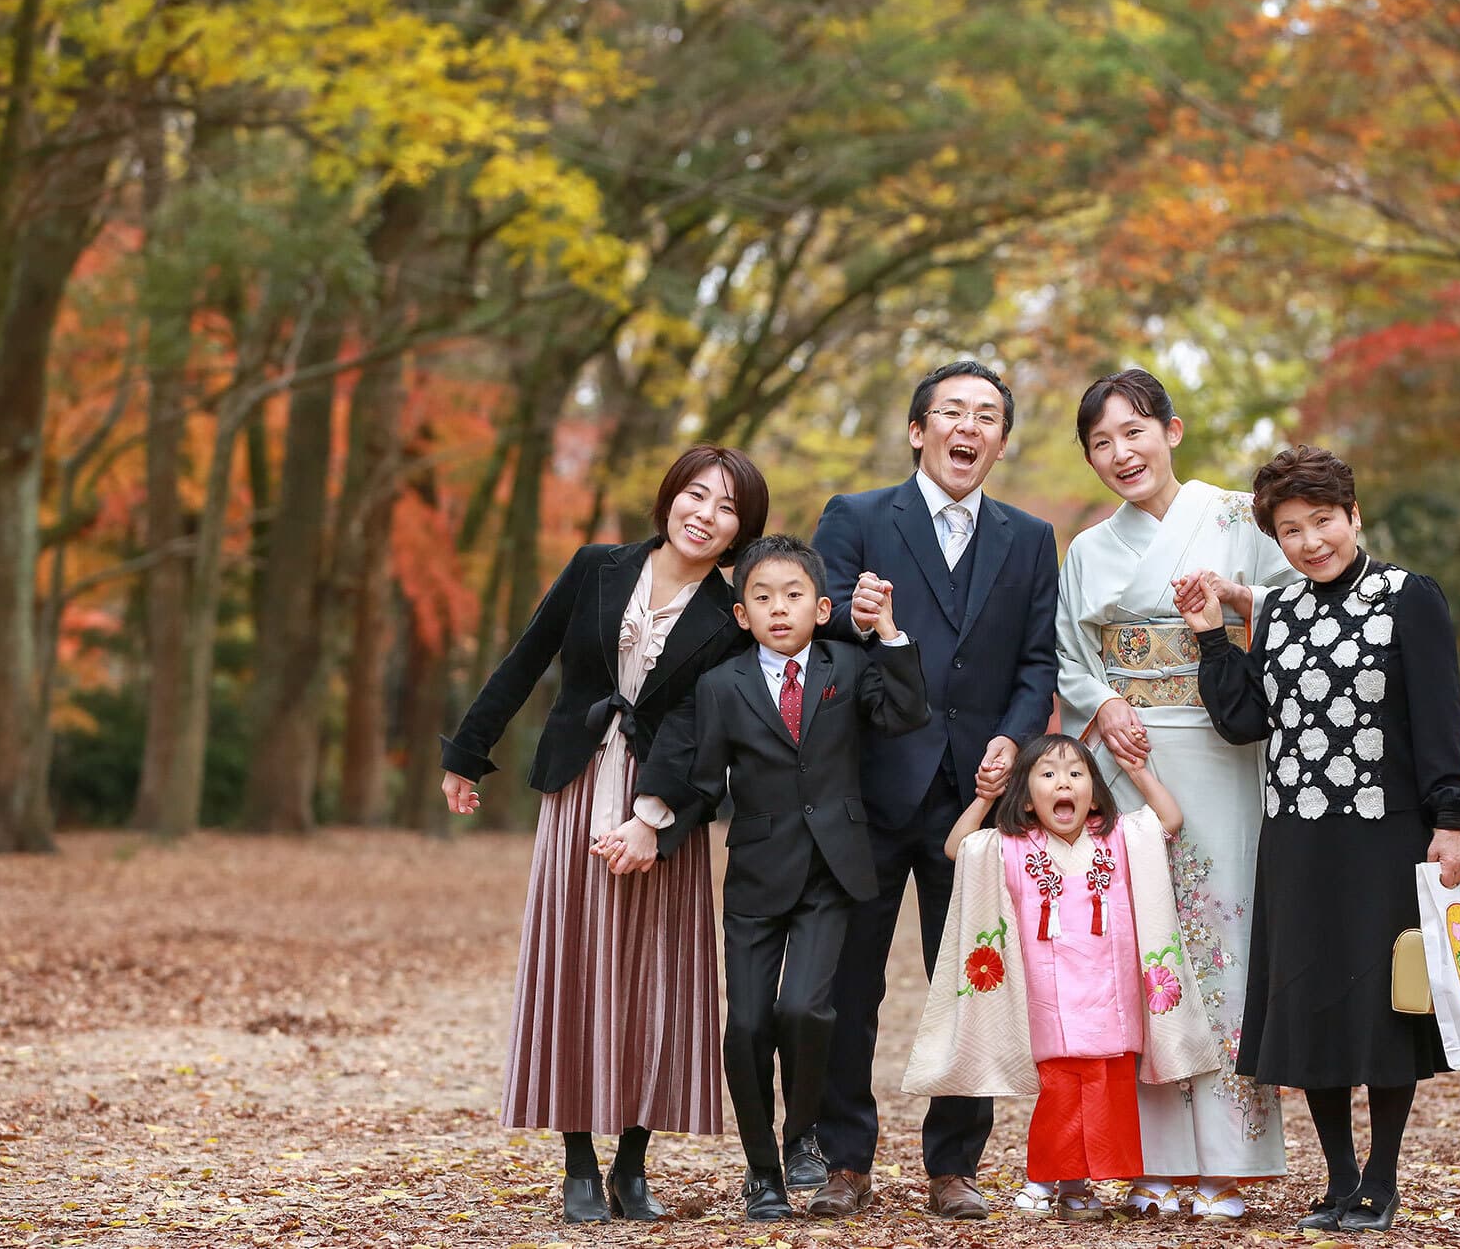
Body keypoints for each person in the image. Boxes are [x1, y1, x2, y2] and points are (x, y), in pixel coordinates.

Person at [438, 445, 769, 1224]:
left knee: (654, 977)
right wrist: (466, 753)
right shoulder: (596, 566)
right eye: (696, 494)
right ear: (668, 497)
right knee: (577, 967)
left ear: (740, 532)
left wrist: (658, 821)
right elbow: (528, 659)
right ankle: (579, 1161)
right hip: (579, 785)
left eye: (726, 508)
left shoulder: (732, 616)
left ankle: (632, 1162)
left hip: (667, 807)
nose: (705, 514)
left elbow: (706, 733)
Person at [1182, 444, 1460, 1235]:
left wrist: (1449, 821)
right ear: (1275, 540)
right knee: (1308, 1005)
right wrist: (1213, 637)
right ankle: (1340, 1177)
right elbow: (1245, 721)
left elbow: (1437, 716)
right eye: (1291, 530)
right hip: (1297, 839)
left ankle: (1382, 1178)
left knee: (1384, 1011)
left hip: (1385, 834)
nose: (1312, 541)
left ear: (1353, 514)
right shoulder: (1276, 611)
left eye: (1323, 521)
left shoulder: (1407, 597)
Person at [804, 360, 1060, 1220]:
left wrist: (1013, 744)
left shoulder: (1028, 538)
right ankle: (845, 1159)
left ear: (999, 441)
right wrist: (847, 608)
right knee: (850, 984)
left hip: (976, 797)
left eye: (987, 415)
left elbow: (1036, 662)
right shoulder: (859, 516)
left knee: (973, 979)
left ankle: (955, 1165)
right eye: (952, 411)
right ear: (919, 430)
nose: (969, 426)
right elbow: (812, 615)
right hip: (868, 790)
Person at [1052, 369, 1300, 1220]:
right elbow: (1069, 660)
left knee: (1221, 948)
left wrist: (1237, 603)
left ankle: (1228, 1163)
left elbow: (1300, 604)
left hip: (1224, 754)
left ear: (1173, 429)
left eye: (1134, 431)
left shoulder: (1238, 517)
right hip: (1129, 761)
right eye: (1101, 442)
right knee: (1143, 955)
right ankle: (1151, 1160)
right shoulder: (1086, 550)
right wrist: (1105, 701)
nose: (1121, 453)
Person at [659, 535, 929, 1220]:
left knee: (806, 1009)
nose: (779, 608)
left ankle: (802, 1129)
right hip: (755, 873)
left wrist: (890, 633)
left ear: (822, 605)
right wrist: (651, 825)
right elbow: (700, 780)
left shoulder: (848, 662)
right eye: (762, 597)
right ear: (743, 615)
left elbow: (904, 713)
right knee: (747, 1023)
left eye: (794, 594)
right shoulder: (722, 685)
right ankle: (762, 1170)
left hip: (832, 872)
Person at [911, 734, 1222, 1221]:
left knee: (1105, 1095)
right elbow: (958, 848)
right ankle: (1045, 1176)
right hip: (1048, 1001)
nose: (1065, 783)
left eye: (1077, 774)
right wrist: (986, 798)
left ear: (1094, 795)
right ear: (1028, 799)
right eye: (1049, 775)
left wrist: (1137, 770)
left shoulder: (1115, 838)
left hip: (1111, 998)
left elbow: (1169, 820)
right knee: (1060, 1095)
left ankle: (1079, 1188)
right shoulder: (1013, 845)